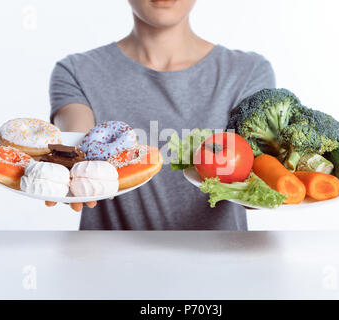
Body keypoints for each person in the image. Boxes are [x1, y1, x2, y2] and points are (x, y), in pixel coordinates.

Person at [46, 0, 275, 230]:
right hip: (111, 262)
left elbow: (259, 173)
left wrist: (267, 188)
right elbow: (75, 147)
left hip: (219, 261)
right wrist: (65, 177)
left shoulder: (248, 72)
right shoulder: (77, 72)